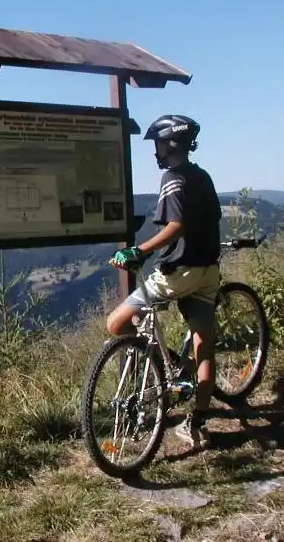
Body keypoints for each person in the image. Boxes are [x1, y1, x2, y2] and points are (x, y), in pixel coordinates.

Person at [105, 114, 222, 450]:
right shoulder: (202, 176)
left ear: (168, 144)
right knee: (203, 348)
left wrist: (137, 251)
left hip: (179, 272)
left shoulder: (173, 178)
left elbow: (176, 225)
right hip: (207, 271)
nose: (156, 151)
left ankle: (159, 366)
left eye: (158, 144)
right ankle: (195, 423)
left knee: (116, 323)